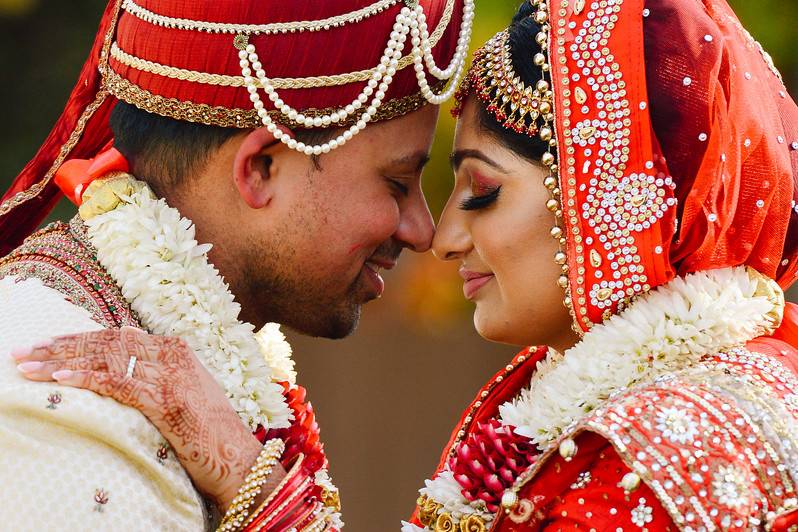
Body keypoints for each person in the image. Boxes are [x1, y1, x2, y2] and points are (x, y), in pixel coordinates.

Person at [0, 0, 473, 530]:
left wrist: (251, 479)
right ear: (261, 169)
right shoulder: (57, 397)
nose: (423, 231)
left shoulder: (197, 370)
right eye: (396, 184)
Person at [406, 0, 798, 530]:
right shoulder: (566, 400)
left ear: (603, 196)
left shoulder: (665, 445)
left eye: (483, 190)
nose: (444, 238)